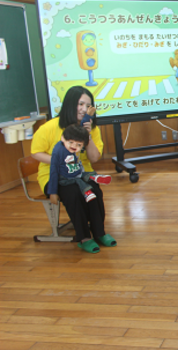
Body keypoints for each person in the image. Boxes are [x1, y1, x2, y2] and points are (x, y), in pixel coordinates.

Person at [31, 86, 116, 254]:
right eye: (80, 104)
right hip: (54, 176)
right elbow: (35, 153)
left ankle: (99, 233)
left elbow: (94, 158)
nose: (84, 109)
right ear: (70, 104)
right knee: (74, 192)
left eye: (88, 105)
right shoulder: (49, 127)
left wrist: (88, 135)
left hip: (81, 173)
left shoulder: (92, 128)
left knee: (94, 191)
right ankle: (84, 238)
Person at [48, 125, 112, 204]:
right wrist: (53, 192)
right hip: (65, 178)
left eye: (79, 145)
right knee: (79, 181)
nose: (75, 147)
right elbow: (53, 171)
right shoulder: (58, 151)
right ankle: (87, 192)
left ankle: (94, 176)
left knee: (86, 174)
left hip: (75, 172)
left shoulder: (71, 149)